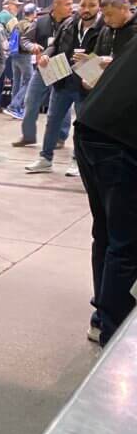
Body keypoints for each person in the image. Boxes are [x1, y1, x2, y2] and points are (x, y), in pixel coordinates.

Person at [73, 37, 137, 347]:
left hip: (91, 128)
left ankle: (102, 319)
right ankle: (114, 337)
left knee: (107, 234)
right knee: (126, 244)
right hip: (120, 140)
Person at [25, 0, 102, 174]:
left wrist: (91, 60)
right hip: (62, 80)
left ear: (99, 6)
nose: (86, 9)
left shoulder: (104, 28)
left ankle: (77, 161)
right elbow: (54, 45)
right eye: (83, 5)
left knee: (82, 125)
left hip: (86, 84)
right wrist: (46, 55)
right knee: (52, 121)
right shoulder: (68, 24)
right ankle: (45, 159)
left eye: (92, 5)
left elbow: (106, 55)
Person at [14, 0, 75, 148]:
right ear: (56, 5)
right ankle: (28, 136)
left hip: (62, 66)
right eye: (67, 4)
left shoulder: (73, 23)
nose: (71, 7)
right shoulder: (40, 22)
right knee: (31, 100)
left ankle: (60, 137)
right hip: (43, 67)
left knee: (60, 103)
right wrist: (32, 46)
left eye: (71, 4)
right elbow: (25, 39)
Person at [4, 2, 37, 119]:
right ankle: (14, 106)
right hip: (25, 56)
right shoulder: (30, 25)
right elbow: (26, 42)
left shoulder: (18, 24)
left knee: (17, 82)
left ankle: (15, 108)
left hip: (15, 55)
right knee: (29, 81)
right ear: (33, 13)